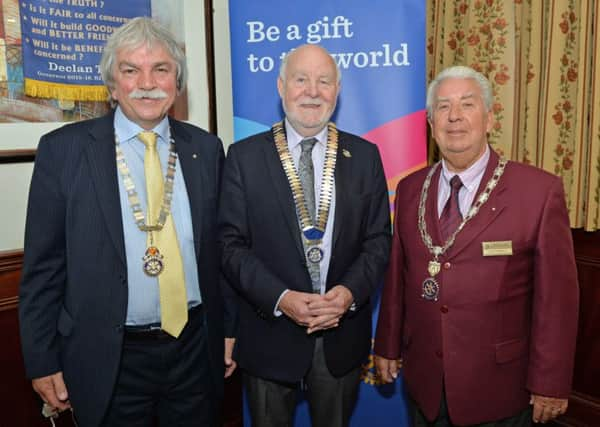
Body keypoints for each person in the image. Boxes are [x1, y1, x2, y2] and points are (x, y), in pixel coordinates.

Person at [19, 17, 235, 427]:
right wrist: (41, 359)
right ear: (112, 86)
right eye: (130, 70)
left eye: (161, 69)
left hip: (194, 349)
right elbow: (43, 269)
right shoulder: (63, 152)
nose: (147, 83)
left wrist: (229, 329)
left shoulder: (206, 150)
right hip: (108, 357)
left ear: (177, 83)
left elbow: (221, 252)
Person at [374, 65, 579, 426]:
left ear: (488, 117)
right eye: (442, 107)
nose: (454, 117)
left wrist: (551, 381)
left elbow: (557, 301)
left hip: (499, 390)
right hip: (425, 385)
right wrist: (387, 344)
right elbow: (397, 278)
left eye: (467, 104)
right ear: (430, 121)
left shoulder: (538, 192)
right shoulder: (409, 189)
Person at [218, 44, 391, 427]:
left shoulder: (365, 156)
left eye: (324, 81)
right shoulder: (243, 157)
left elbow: (378, 241)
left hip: (340, 336)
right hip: (269, 334)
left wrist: (346, 295)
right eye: (301, 80)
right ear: (281, 87)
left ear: (337, 91)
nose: (312, 91)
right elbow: (230, 246)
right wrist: (281, 297)